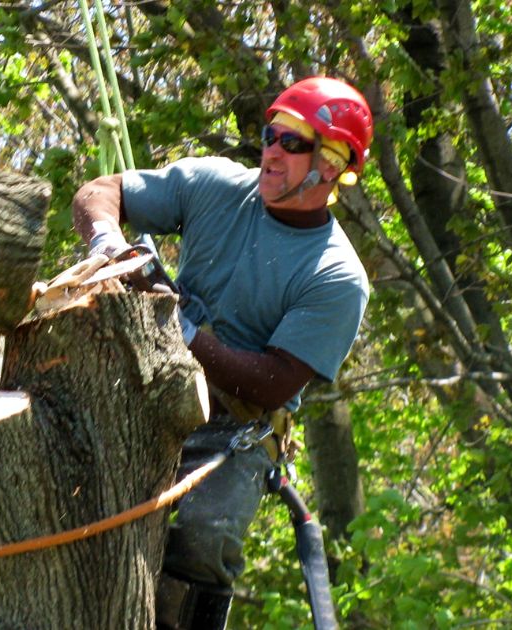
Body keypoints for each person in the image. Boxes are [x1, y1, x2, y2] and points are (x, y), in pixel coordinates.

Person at [71, 77, 373, 629]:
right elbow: (99, 192)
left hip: (235, 426)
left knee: (206, 535)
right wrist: (110, 244)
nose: (272, 151)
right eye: (270, 135)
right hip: (146, 382)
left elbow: (274, 382)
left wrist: (183, 332)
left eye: (292, 143)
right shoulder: (214, 185)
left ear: (331, 164)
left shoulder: (336, 276)